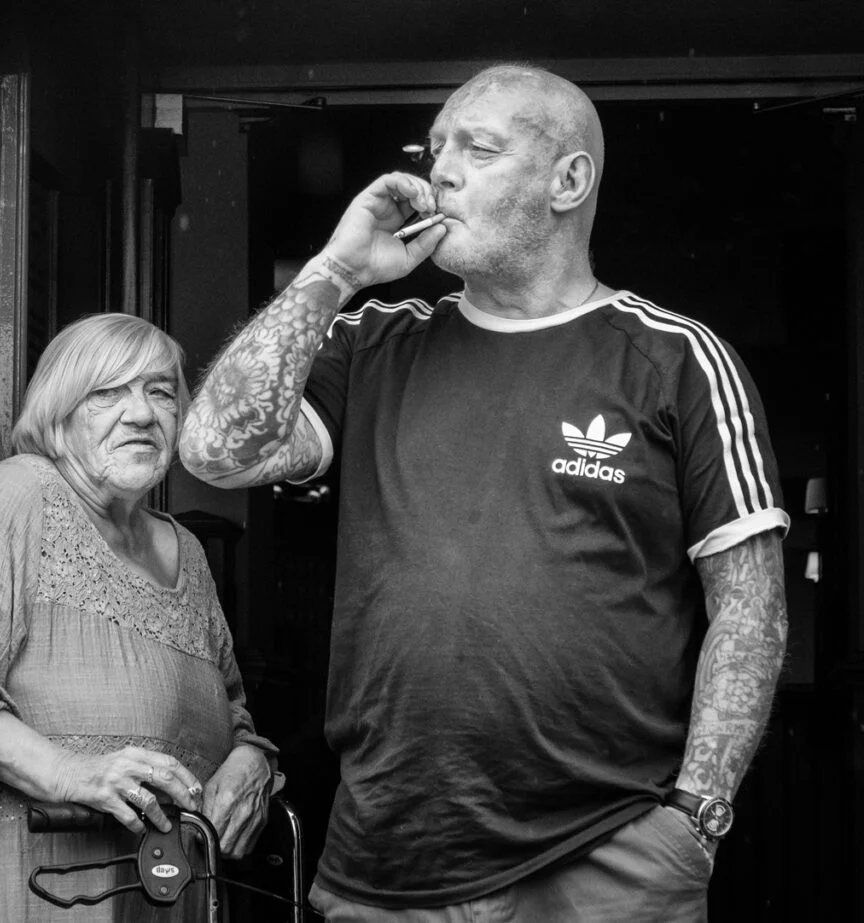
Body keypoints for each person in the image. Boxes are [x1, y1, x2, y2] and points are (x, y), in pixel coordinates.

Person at [178, 62, 789, 922]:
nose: (442, 172)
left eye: (480, 148)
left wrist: (696, 818)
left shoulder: (677, 359)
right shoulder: (375, 342)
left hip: (603, 861)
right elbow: (214, 450)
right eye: (437, 150)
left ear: (568, 180)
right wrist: (333, 272)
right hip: (385, 865)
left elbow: (751, 609)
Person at [0, 313, 280, 922]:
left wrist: (253, 759)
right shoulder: (21, 494)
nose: (143, 413)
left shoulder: (188, 554)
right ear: (59, 413)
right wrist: (71, 773)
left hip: (160, 892)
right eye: (108, 393)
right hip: (37, 890)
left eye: (161, 392)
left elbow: (230, 711)